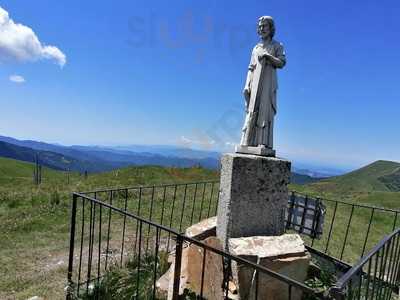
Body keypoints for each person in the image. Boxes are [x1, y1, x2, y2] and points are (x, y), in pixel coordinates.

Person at [240, 16, 286, 150]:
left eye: (265, 26)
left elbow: (282, 62)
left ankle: (263, 142)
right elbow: (250, 67)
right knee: (252, 109)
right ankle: (248, 140)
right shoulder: (255, 48)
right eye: (260, 26)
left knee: (264, 111)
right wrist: (247, 84)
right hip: (254, 81)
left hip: (268, 82)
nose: (262, 29)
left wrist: (268, 57)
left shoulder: (277, 45)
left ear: (271, 28)